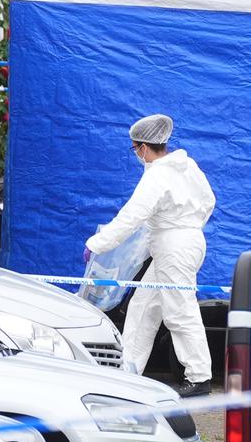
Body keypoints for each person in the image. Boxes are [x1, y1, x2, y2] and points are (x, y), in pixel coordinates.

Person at [85, 114, 216, 397]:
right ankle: (128, 373)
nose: (136, 154)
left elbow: (132, 215)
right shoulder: (188, 166)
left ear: (143, 147)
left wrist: (98, 243)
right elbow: (208, 202)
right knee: (143, 308)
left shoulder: (157, 175)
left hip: (174, 248)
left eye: (135, 148)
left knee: (180, 311)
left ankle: (199, 377)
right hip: (187, 241)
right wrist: (186, 227)